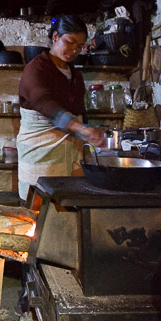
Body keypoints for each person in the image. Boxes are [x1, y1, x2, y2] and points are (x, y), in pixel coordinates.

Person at [16, 15, 106, 199]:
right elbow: (44, 103)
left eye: (80, 46)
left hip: (71, 155)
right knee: (40, 205)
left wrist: (89, 136)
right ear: (56, 37)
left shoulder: (75, 75)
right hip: (41, 152)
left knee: (67, 204)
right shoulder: (36, 69)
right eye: (70, 42)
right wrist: (78, 127)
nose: (74, 50)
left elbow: (80, 111)